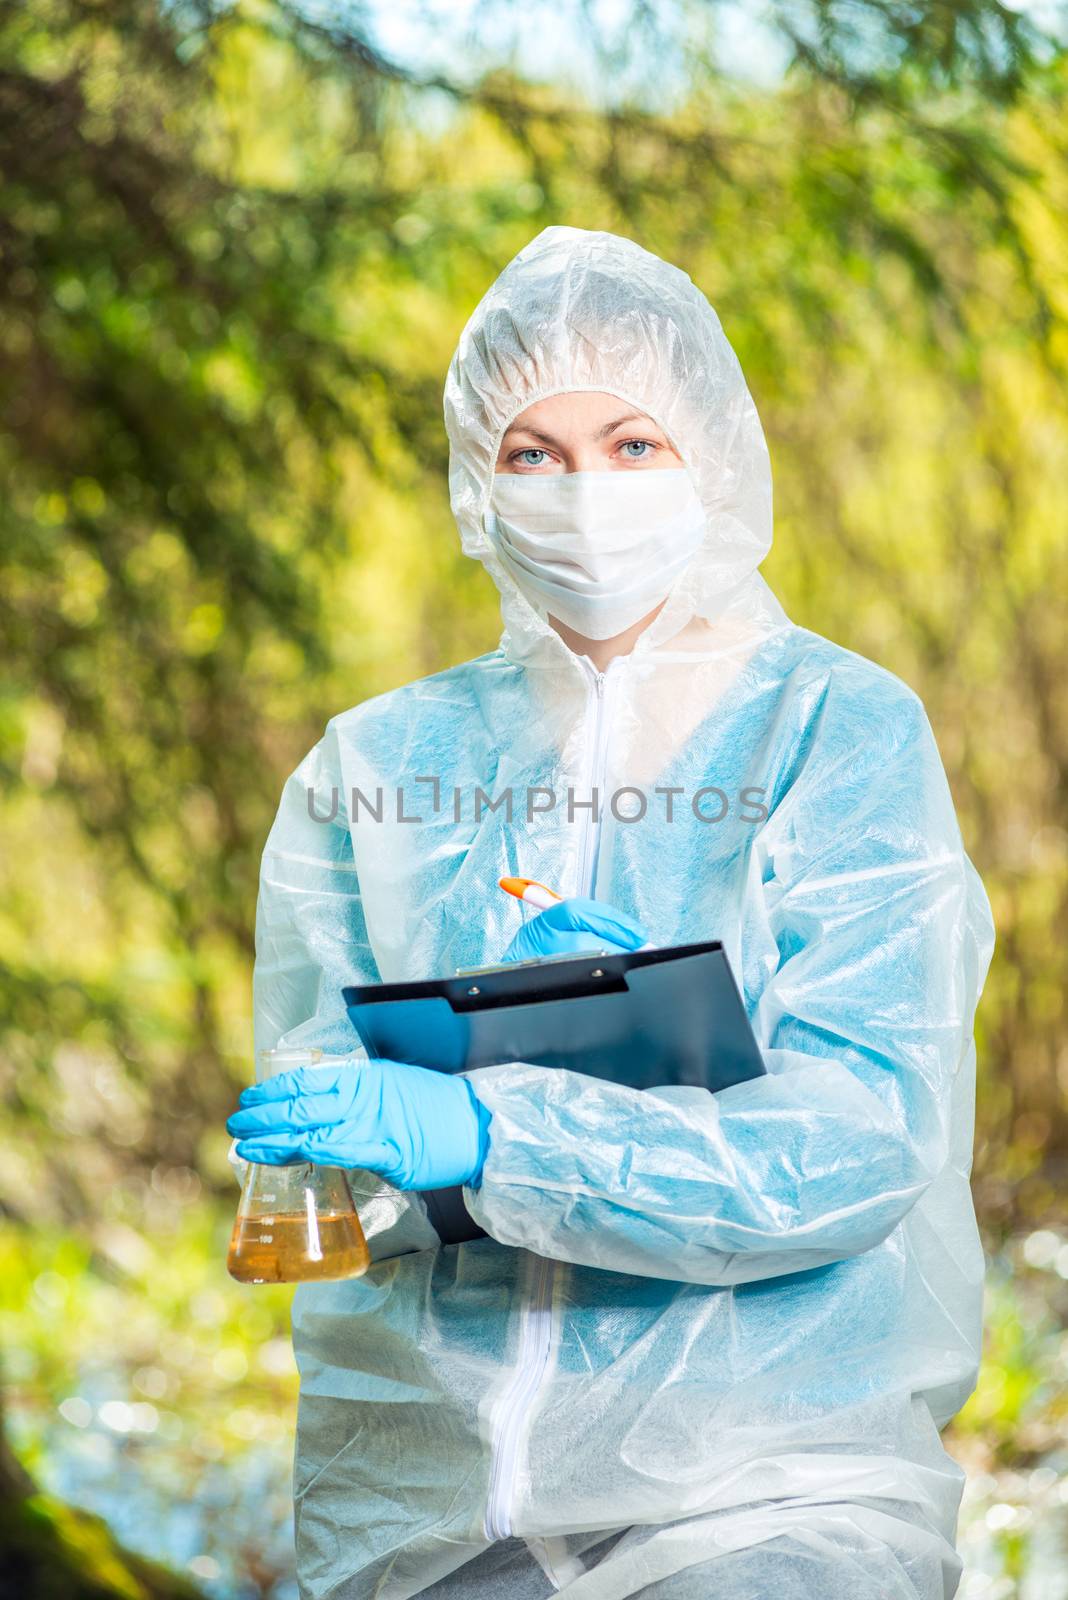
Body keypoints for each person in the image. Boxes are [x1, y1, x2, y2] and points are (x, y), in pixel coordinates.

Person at [226, 226, 995, 1599]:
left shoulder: (839, 731)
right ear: (479, 477)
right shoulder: (373, 768)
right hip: (433, 1513)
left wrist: (500, 1123)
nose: (584, 492)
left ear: (711, 455)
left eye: (632, 444)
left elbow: (866, 1137)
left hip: (774, 1491)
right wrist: (365, 1144)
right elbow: (319, 1183)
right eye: (536, 452)